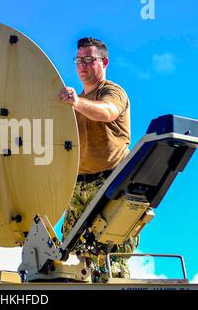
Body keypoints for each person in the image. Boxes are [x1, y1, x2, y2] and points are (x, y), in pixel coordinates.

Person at [58, 37, 139, 283]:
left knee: (112, 263)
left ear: (103, 62)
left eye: (89, 60)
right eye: (78, 60)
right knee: (77, 260)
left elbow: (107, 112)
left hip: (109, 186)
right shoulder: (74, 104)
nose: (82, 65)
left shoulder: (112, 92)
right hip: (77, 188)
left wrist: (76, 102)